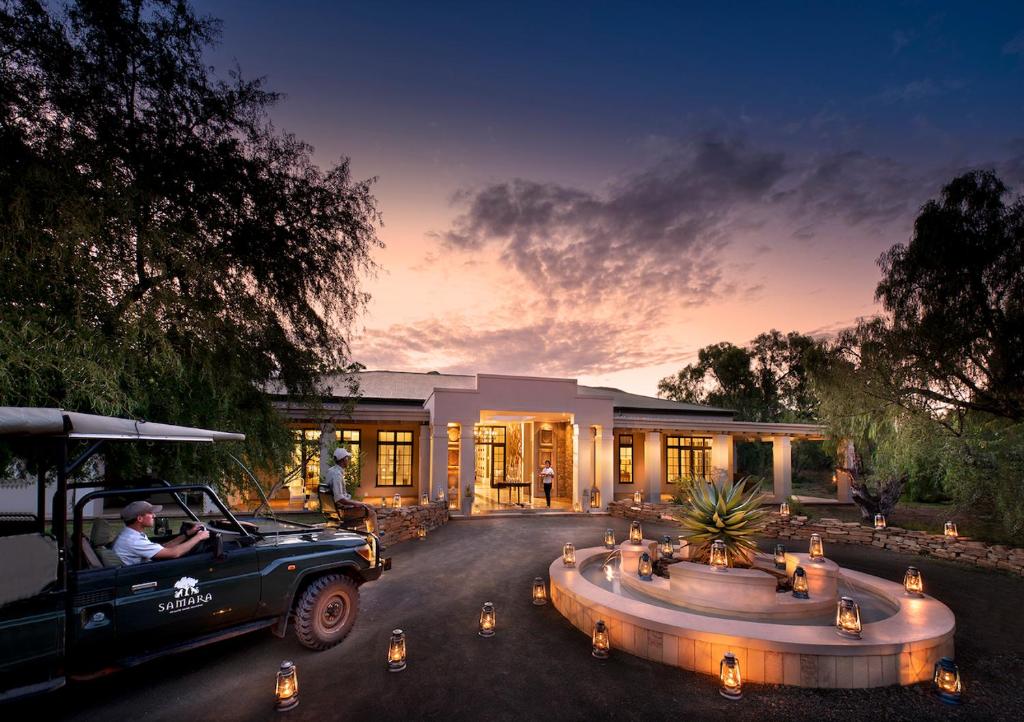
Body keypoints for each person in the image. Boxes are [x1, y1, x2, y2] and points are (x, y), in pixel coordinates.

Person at [113, 500, 210, 566]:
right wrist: (199, 537)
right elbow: (175, 553)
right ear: (140, 518)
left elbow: (164, 547)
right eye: (150, 513)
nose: (154, 515)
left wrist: (187, 534)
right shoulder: (133, 540)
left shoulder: (130, 534)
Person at [325, 447, 378, 533]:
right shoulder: (337, 475)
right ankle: (374, 540)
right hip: (342, 511)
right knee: (371, 512)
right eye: (347, 458)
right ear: (343, 459)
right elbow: (340, 499)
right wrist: (359, 503)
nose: (348, 460)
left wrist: (356, 503)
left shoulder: (330, 471)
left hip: (334, 509)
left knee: (370, 506)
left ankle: (369, 537)